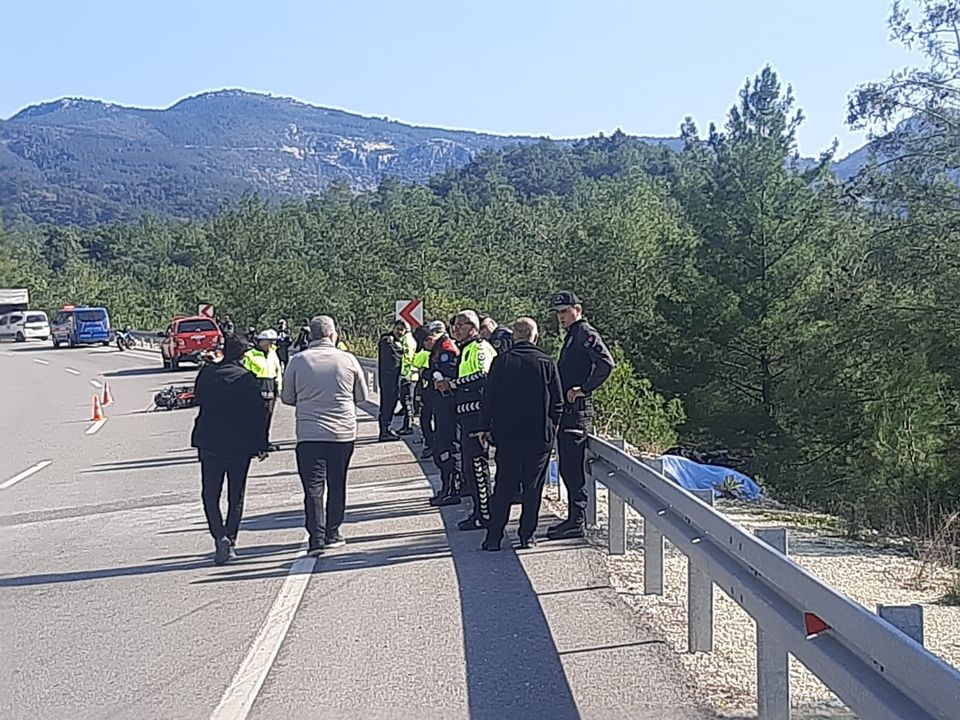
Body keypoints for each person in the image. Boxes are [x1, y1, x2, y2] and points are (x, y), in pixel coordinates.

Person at [281, 315, 369, 555]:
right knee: (337, 482)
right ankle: (333, 532)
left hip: (309, 434)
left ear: (310, 335)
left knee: (313, 487)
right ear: (332, 334)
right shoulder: (347, 360)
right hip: (342, 433)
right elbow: (361, 396)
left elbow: (287, 397)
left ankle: (316, 538)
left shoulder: (298, 361)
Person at [479, 318, 563, 551]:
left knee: (504, 485)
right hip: (539, 435)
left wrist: (484, 427)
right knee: (532, 487)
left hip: (507, 435)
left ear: (514, 336)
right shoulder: (546, 362)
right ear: (535, 336)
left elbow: (489, 397)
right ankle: (527, 535)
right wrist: (552, 427)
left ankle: (494, 537)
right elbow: (558, 402)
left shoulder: (502, 361)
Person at [190, 334, 269, 565]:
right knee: (236, 495)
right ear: (242, 356)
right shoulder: (247, 379)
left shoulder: (207, 374)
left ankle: (219, 535)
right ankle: (231, 539)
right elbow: (258, 414)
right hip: (239, 445)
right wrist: (261, 445)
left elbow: (197, 398)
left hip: (210, 442)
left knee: (210, 493)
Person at [547, 290, 615, 540]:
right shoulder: (573, 335)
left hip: (577, 412)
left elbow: (606, 363)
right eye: (558, 313)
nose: (561, 317)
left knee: (572, 467)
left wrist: (585, 389)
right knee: (567, 466)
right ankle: (573, 518)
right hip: (568, 411)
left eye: (565, 311)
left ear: (578, 309)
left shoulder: (585, 333)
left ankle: (577, 520)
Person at [437, 310, 496, 529]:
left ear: (473, 327)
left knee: (478, 465)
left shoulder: (479, 348)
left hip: (477, 416)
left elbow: (483, 376)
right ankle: (478, 511)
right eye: (454, 325)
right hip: (465, 415)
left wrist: (453, 384)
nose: (456, 329)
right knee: (470, 467)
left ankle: (485, 514)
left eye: (461, 325)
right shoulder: (465, 349)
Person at [426, 320, 461, 506]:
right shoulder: (441, 347)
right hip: (442, 403)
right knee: (442, 446)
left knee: (448, 447)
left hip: (448, 403)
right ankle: (448, 487)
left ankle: (452, 488)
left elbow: (448, 373)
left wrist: (430, 375)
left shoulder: (446, 349)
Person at [243, 329, 284, 452]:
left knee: (267, 416)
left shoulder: (273, 353)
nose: (272, 344)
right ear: (261, 341)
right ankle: (253, 444)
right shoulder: (250, 355)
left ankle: (264, 442)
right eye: (270, 341)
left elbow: (277, 370)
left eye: (274, 341)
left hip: (270, 385)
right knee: (255, 417)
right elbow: (245, 372)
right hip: (256, 386)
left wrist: (279, 387)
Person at [377, 320, 408, 442]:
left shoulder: (398, 341)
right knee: (387, 405)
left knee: (392, 403)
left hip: (395, 379)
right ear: (393, 328)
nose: (399, 332)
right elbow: (395, 357)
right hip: (387, 380)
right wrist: (401, 350)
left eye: (402, 330)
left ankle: (387, 429)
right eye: (398, 329)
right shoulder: (387, 340)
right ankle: (385, 431)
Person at [412, 343, 433, 457]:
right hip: (430, 389)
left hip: (426, 389)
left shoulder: (423, 353)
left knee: (425, 418)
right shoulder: (440, 351)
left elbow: (416, 363)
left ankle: (429, 443)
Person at [397, 325, 418, 436]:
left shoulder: (407, 341)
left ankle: (408, 426)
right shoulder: (407, 339)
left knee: (407, 402)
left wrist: (403, 374)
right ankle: (406, 425)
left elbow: (408, 358)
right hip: (409, 375)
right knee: (406, 401)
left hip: (408, 376)